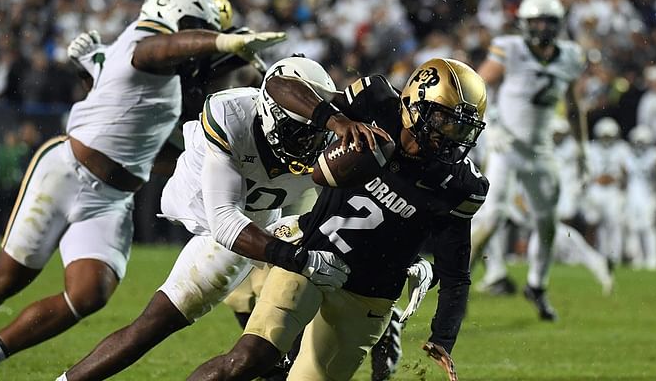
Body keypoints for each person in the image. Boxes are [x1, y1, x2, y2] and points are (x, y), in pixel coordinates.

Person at [0, 0, 287, 380]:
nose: (197, 46)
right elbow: (155, 53)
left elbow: (144, 127)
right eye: (198, 30)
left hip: (113, 197)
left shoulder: (168, 78)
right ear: (181, 20)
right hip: (68, 172)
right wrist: (220, 42)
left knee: (89, 294)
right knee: (11, 276)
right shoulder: (145, 39)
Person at [54, 56, 395, 381]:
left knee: (279, 331)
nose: (307, 141)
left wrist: (363, 108)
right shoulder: (233, 114)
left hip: (270, 215)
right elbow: (225, 223)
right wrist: (299, 259)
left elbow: (377, 92)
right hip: (216, 215)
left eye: (313, 130)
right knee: (154, 325)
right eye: (297, 129)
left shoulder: (324, 123)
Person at [187, 57, 489, 381]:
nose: (452, 136)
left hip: (368, 295)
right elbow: (277, 85)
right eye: (445, 121)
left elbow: (456, 274)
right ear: (416, 102)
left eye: (462, 127)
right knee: (249, 358)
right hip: (312, 255)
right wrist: (336, 122)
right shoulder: (375, 103)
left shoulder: (460, 184)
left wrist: (443, 337)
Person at [469, 0, 588, 321]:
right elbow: (475, 86)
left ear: (559, 24)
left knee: (547, 223)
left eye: (548, 21)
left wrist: (582, 150)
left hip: (541, 150)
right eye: (536, 21)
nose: (542, 28)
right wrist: (491, 124)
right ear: (524, 23)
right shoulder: (510, 49)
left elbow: (576, 106)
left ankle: (537, 285)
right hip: (506, 147)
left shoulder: (570, 56)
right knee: (491, 219)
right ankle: (458, 286)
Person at [583, 117, 631, 267]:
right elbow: (587, 174)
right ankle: (603, 257)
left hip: (614, 190)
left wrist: (616, 179)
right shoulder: (591, 149)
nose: (606, 139)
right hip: (597, 189)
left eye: (609, 136)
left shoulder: (622, 148)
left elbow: (627, 172)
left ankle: (615, 257)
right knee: (600, 224)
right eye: (604, 136)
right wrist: (598, 179)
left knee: (615, 224)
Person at [622, 125, 656, 270]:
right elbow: (624, 177)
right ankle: (638, 259)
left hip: (650, 194)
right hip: (633, 195)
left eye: (642, 142)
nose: (640, 145)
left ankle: (653, 259)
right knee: (634, 227)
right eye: (637, 142)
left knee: (648, 226)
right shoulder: (628, 156)